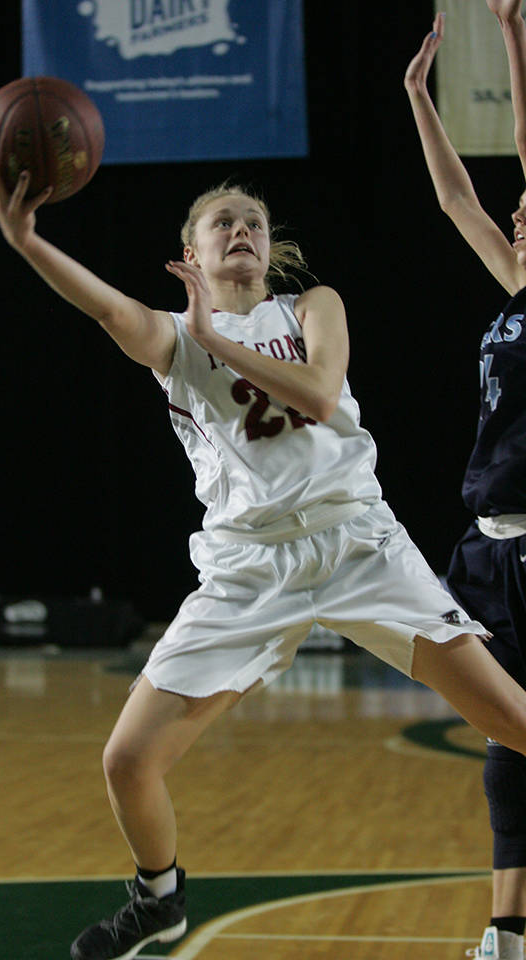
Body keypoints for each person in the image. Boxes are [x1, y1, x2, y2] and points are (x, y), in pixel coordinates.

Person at [0, 155, 526, 960]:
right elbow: (104, 307)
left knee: (513, 722)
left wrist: (213, 341)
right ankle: (157, 901)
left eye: (255, 224)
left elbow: (323, 395)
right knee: (128, 761)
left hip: (358, 545)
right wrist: (27, 242)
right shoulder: (173, 335)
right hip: (246, 570)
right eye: (222, 223)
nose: (241, 230)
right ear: (189, 256)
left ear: (269, 252)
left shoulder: (312, 305)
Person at [405, 4, 526, 959]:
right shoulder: (515, 292)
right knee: (506, 740)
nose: (518, 210)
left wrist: (518, 41)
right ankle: (508, 931)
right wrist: (418, 96)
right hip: (488, 550)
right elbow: (457, 202)